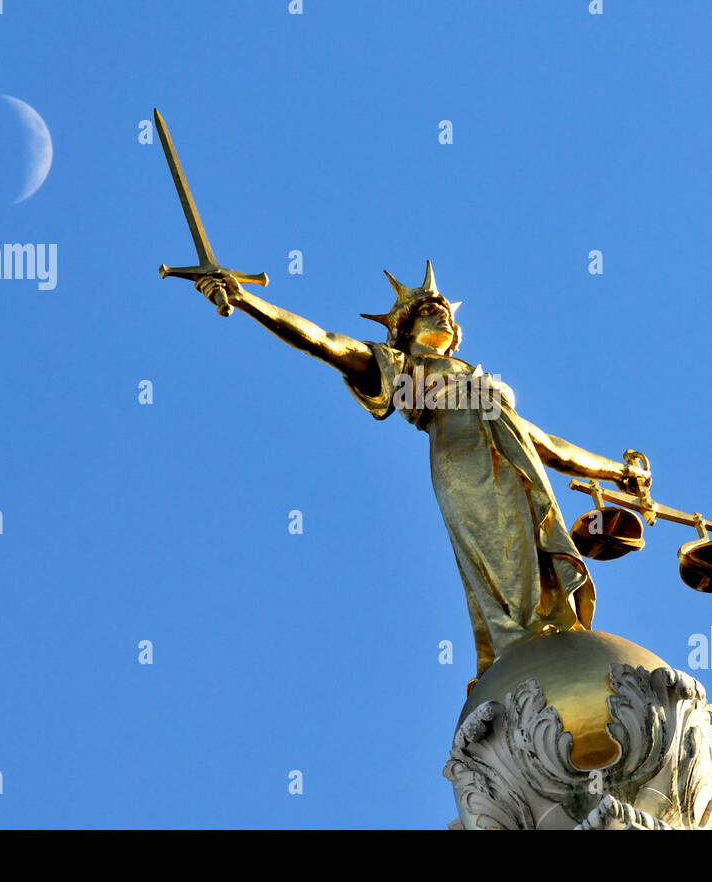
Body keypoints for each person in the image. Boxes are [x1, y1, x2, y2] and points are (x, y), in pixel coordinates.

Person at [194, 261, 649, 685]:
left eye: (445, 311)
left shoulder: (482, 383)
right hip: (465, 466)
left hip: (520, 470)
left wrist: (617, 473)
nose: (442, 316)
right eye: (429, 311)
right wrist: (248, 300)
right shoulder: (404, 368)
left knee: (536, 549)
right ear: (405, 329)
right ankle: (521, 641)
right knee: (499, 557)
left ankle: (553, 628)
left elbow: (548, 445)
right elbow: (324, 341)